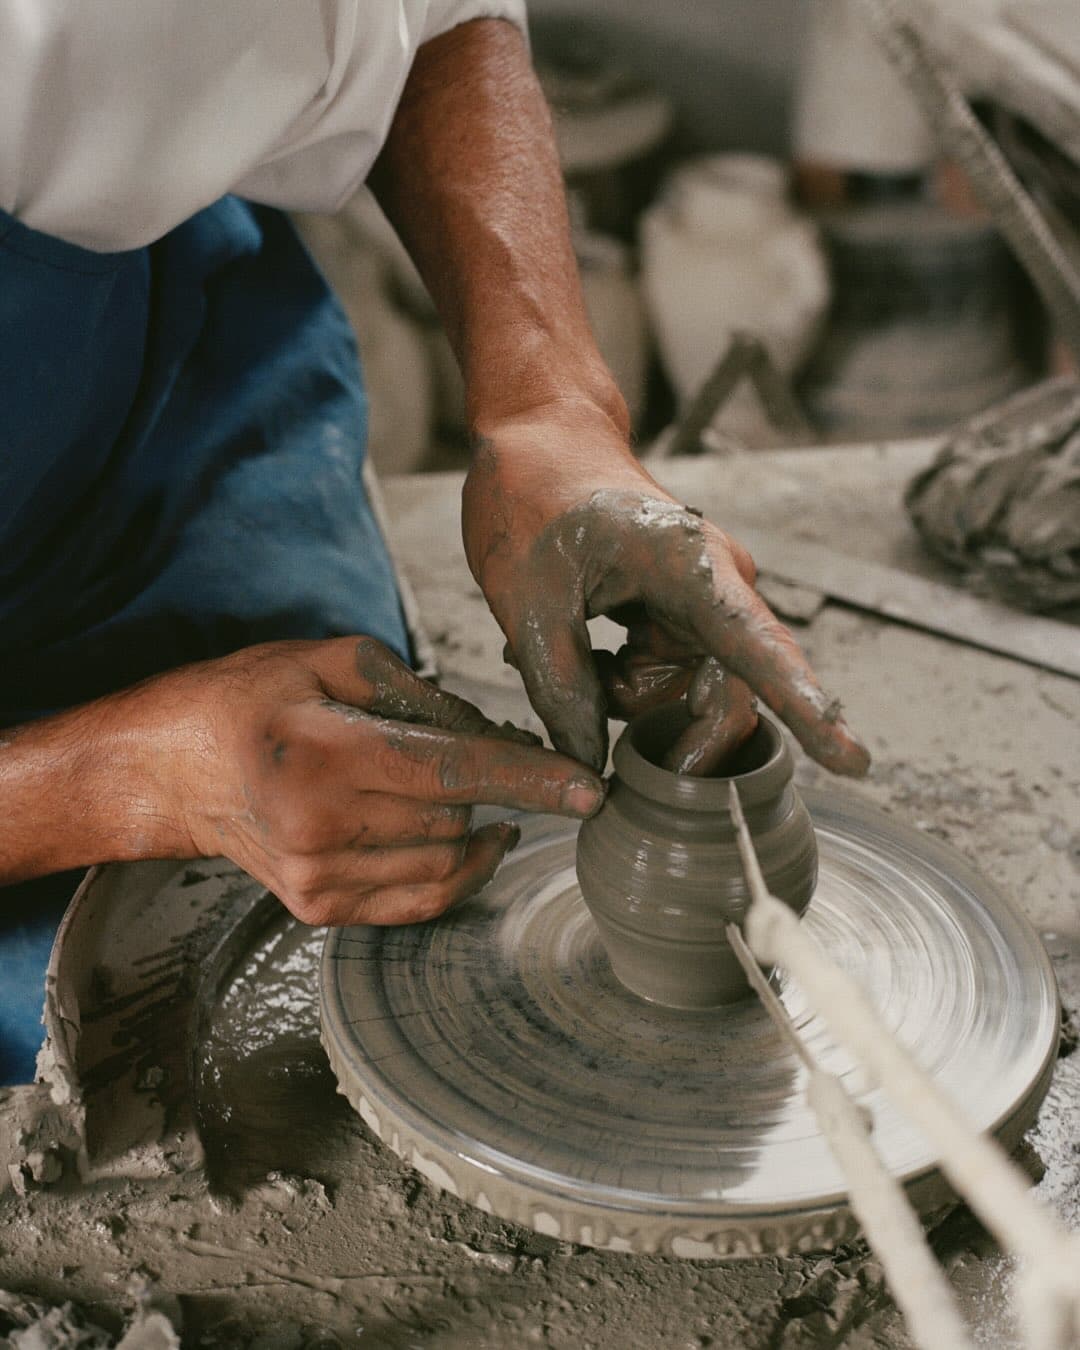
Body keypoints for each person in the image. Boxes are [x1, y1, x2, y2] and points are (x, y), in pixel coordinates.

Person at [0, 5, 869, 1082]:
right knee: (148, 1048)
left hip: (150, 367)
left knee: (367, 844)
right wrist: (126, 780)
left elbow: (423, 21)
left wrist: (549, 406)